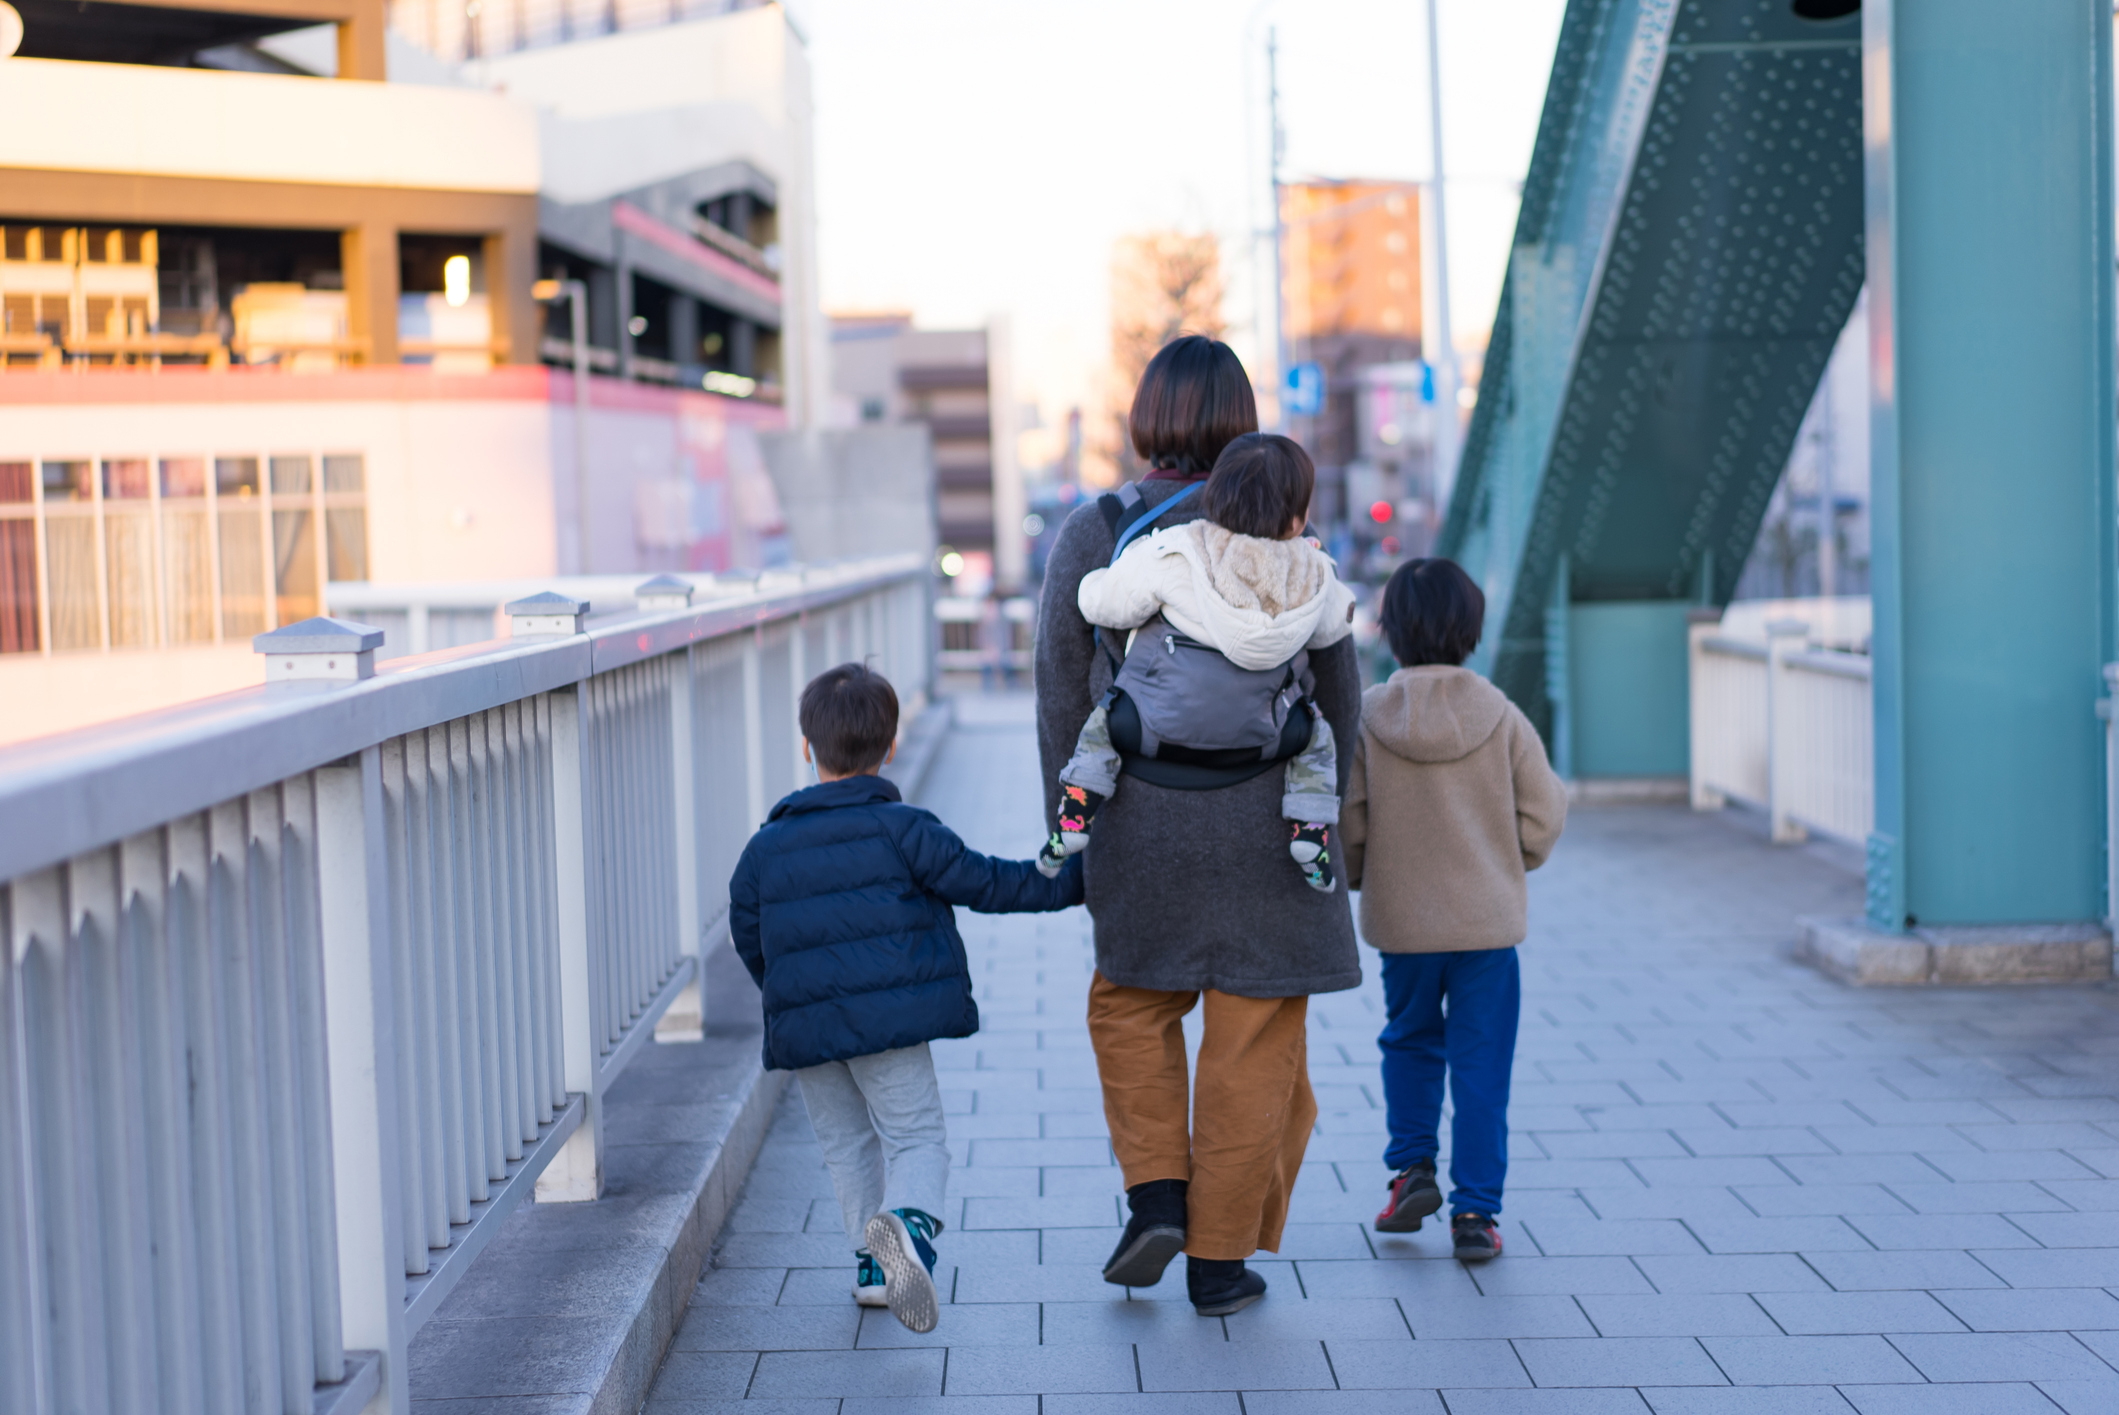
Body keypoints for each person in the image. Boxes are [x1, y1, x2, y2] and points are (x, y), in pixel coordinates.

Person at [1035, 335, 1363, 1318]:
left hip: (1144, 820)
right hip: (1270, 825)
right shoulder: (1292, 536)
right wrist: (1331, 828)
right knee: (1254, 1038)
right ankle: (1220, 1259)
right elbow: (1342, 697)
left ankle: (1155, 1198)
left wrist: (1069, 826)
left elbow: (1061, 687)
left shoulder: (1097, 531)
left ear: (1146, 417)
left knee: (1129, 1005)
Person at [729, 662, 1083, 1331]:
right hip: (887, 1025)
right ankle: (906, 1227)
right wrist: (1069, 878)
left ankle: (871, 1267)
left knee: (846, 1147)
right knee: (915, 1137)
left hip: (809, 1029)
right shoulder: (904, 828)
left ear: (807, 748)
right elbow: (986, 882)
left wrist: (791, 997)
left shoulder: (764, 847)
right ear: (890, 746)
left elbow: (749, 933)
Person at [1340, 558, 1568, 1261]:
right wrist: (1511, 861)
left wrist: (1365, 875)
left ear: (1390, 632)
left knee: (1408, 1038)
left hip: (1402, 924)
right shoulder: (1499, 714)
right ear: (1470, 630)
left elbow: (1346, 821)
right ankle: (1475, 1213)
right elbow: (1544, 813)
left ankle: (1410, 1171)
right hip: (1485, 923)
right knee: (1480, 1062)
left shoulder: (1369, 717)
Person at [1039, 432, 1357, 892]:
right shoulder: (1310, 570)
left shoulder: (1178, 550)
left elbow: (1106, 604)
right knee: (1319, 741)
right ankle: (1309, 832)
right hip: (1270, 731)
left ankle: (1075, 814)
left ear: (1215, 502)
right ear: (1298, 520)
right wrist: (1318, 565)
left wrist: (1090, 586)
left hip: (1151, 721)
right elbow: (1335, 626)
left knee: (1101, 728)